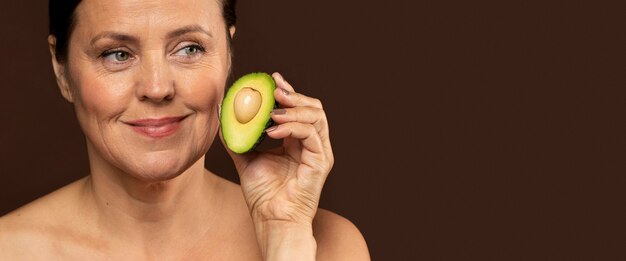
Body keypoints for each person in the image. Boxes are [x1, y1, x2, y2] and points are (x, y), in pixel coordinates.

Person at [0, 0, 369, 259]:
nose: (158, 87)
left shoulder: (329, 247)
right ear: (62, 70)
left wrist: (285, 238)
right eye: (117, 54)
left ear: (227, 51)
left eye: (189, 49)